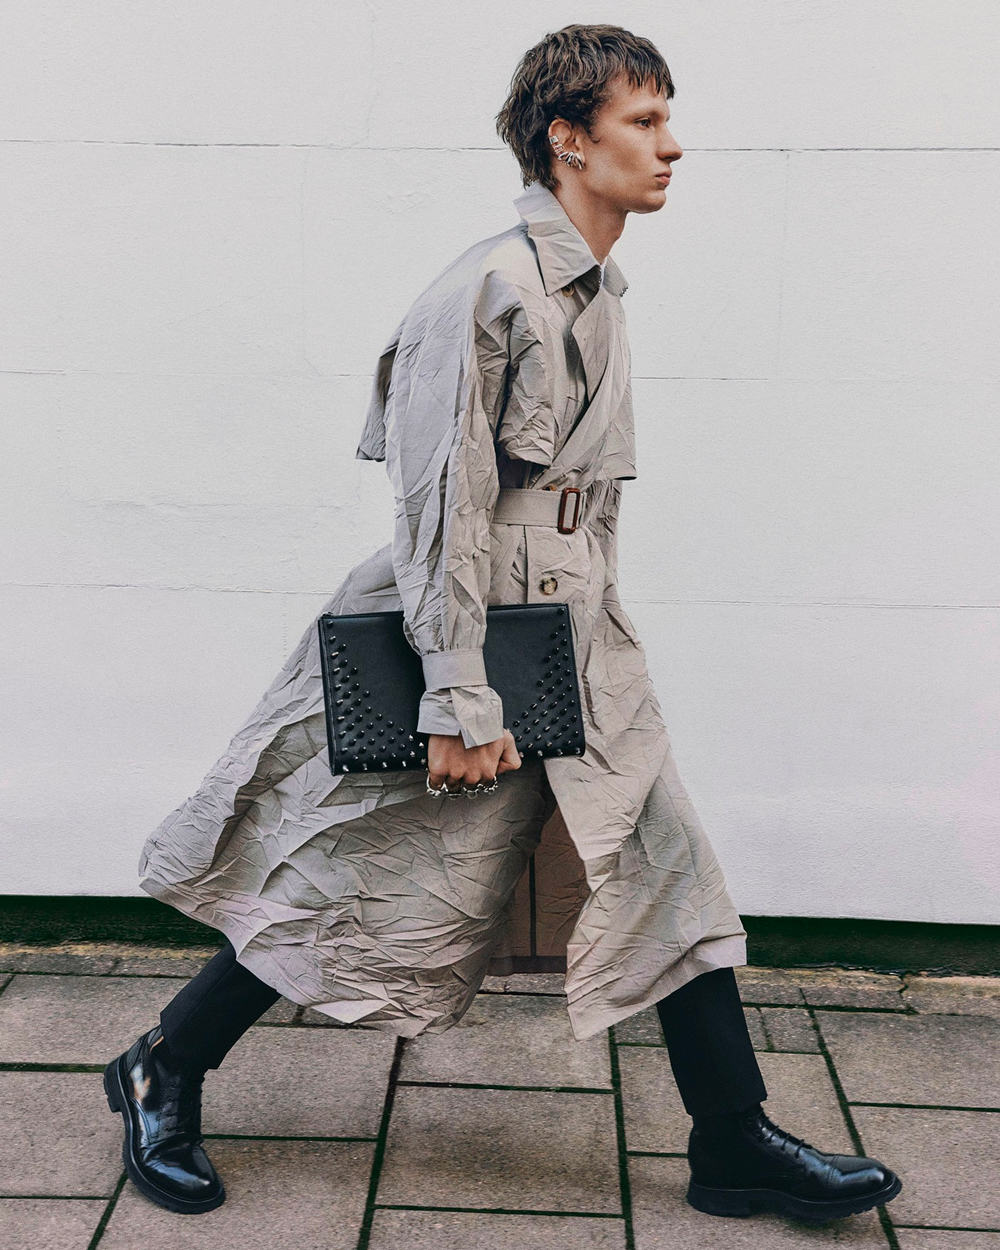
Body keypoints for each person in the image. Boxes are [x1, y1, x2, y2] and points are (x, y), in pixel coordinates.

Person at [104, 23, 902, 1223]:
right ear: (565, 139)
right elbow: (439, 509)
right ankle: (163, 1062)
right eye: (644, 120)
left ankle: (731, 1139)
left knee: (667, 868)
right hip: (474, 631)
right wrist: (458, 690)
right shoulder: (483, 291)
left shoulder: (596, 285)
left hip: (576, 631)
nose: (672, 144)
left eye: (666, 117)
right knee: (349, 871)